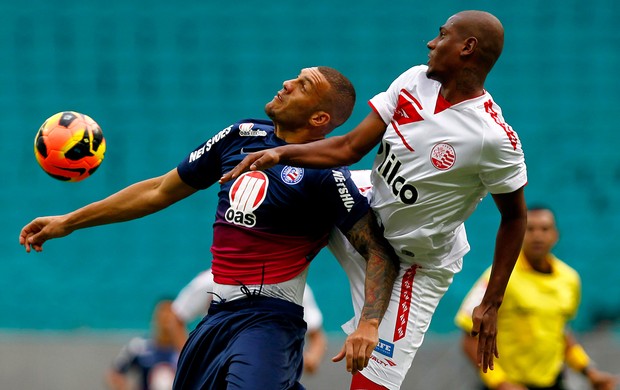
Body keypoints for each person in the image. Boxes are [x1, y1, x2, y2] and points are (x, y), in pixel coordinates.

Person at [19, 66, 399, 389]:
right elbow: (157, 190)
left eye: (303, 86)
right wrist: (68, 221)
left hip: (268, 322)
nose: (287, 84)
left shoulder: (325, 174)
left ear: (320, 119)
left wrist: (368, 324)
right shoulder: (241, 136)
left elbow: (378, 248)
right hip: (214, 320)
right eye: (294, 78)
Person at [221, 10, 528, 390]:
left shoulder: (492, 137)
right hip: (367, 212)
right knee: (294, 187)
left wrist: (491, 302)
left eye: (442, 35)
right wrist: (280, 154)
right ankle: (254, 309)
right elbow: (350, 147)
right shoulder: (414, 80)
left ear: (467, 48)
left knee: (370, 383)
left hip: (413, 264)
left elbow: (514, 219)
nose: (431, 43)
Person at [455, 206, 618, 390]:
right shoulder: (499, 277)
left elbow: (560, 332)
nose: (537, 236)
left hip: (552, 383)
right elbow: (469, 338)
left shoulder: (569, 279)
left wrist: (589, 372)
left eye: (544, 229)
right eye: (530, 229)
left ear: (555, 235)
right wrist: (500, 383)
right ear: (519, 234)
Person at [171, 268, 327, 374]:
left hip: (273, 363)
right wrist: (192, 359)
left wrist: (312, 358)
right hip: (219, 363)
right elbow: (177, 316)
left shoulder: (294, 286)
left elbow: (316, 334)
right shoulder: (214, 279)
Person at [105, 299, 187, 390]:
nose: (166, 320)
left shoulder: (185, 351)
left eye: (170, 317)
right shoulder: (139, 347)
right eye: (162, 315)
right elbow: (115, 373)